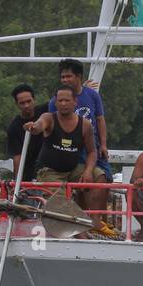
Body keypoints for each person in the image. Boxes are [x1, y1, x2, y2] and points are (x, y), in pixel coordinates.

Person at [28, 84, 105, 220]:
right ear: (55, 102)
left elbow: (92, 151)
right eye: (60, 100)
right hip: (50, 171)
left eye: (67, 100)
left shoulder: (85, 124)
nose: (63, 104)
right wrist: (33, 127)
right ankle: (77, 229)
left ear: (75, 102)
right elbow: (39, 126)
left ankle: (95, 220)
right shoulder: (49, 118)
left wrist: (88, 171)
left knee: (99, 175)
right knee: (59, 202)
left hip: (73, 168)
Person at [45, 59, 111, 215]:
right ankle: (83, 220)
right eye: (63, 77)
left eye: (69, 76)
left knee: (104, 179)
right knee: (82, 184)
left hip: (92, 146)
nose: (65, 80)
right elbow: (50, 123)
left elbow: (100, 119)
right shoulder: (55, 101)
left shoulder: (92, 95)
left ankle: (99, 222)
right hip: (73, 148)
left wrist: (103, 144)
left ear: (79, 76)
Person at [5, 83, 44, 184]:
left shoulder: (45, 110)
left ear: (34, 99)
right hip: (29, 173)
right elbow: (17, 156)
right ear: (16, 104)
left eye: (29, 101)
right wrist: (17, 181)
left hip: (50, 168)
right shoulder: (13, 128)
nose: (26, 105)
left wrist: (81, 89)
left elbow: (63, 99)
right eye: (22, 103)